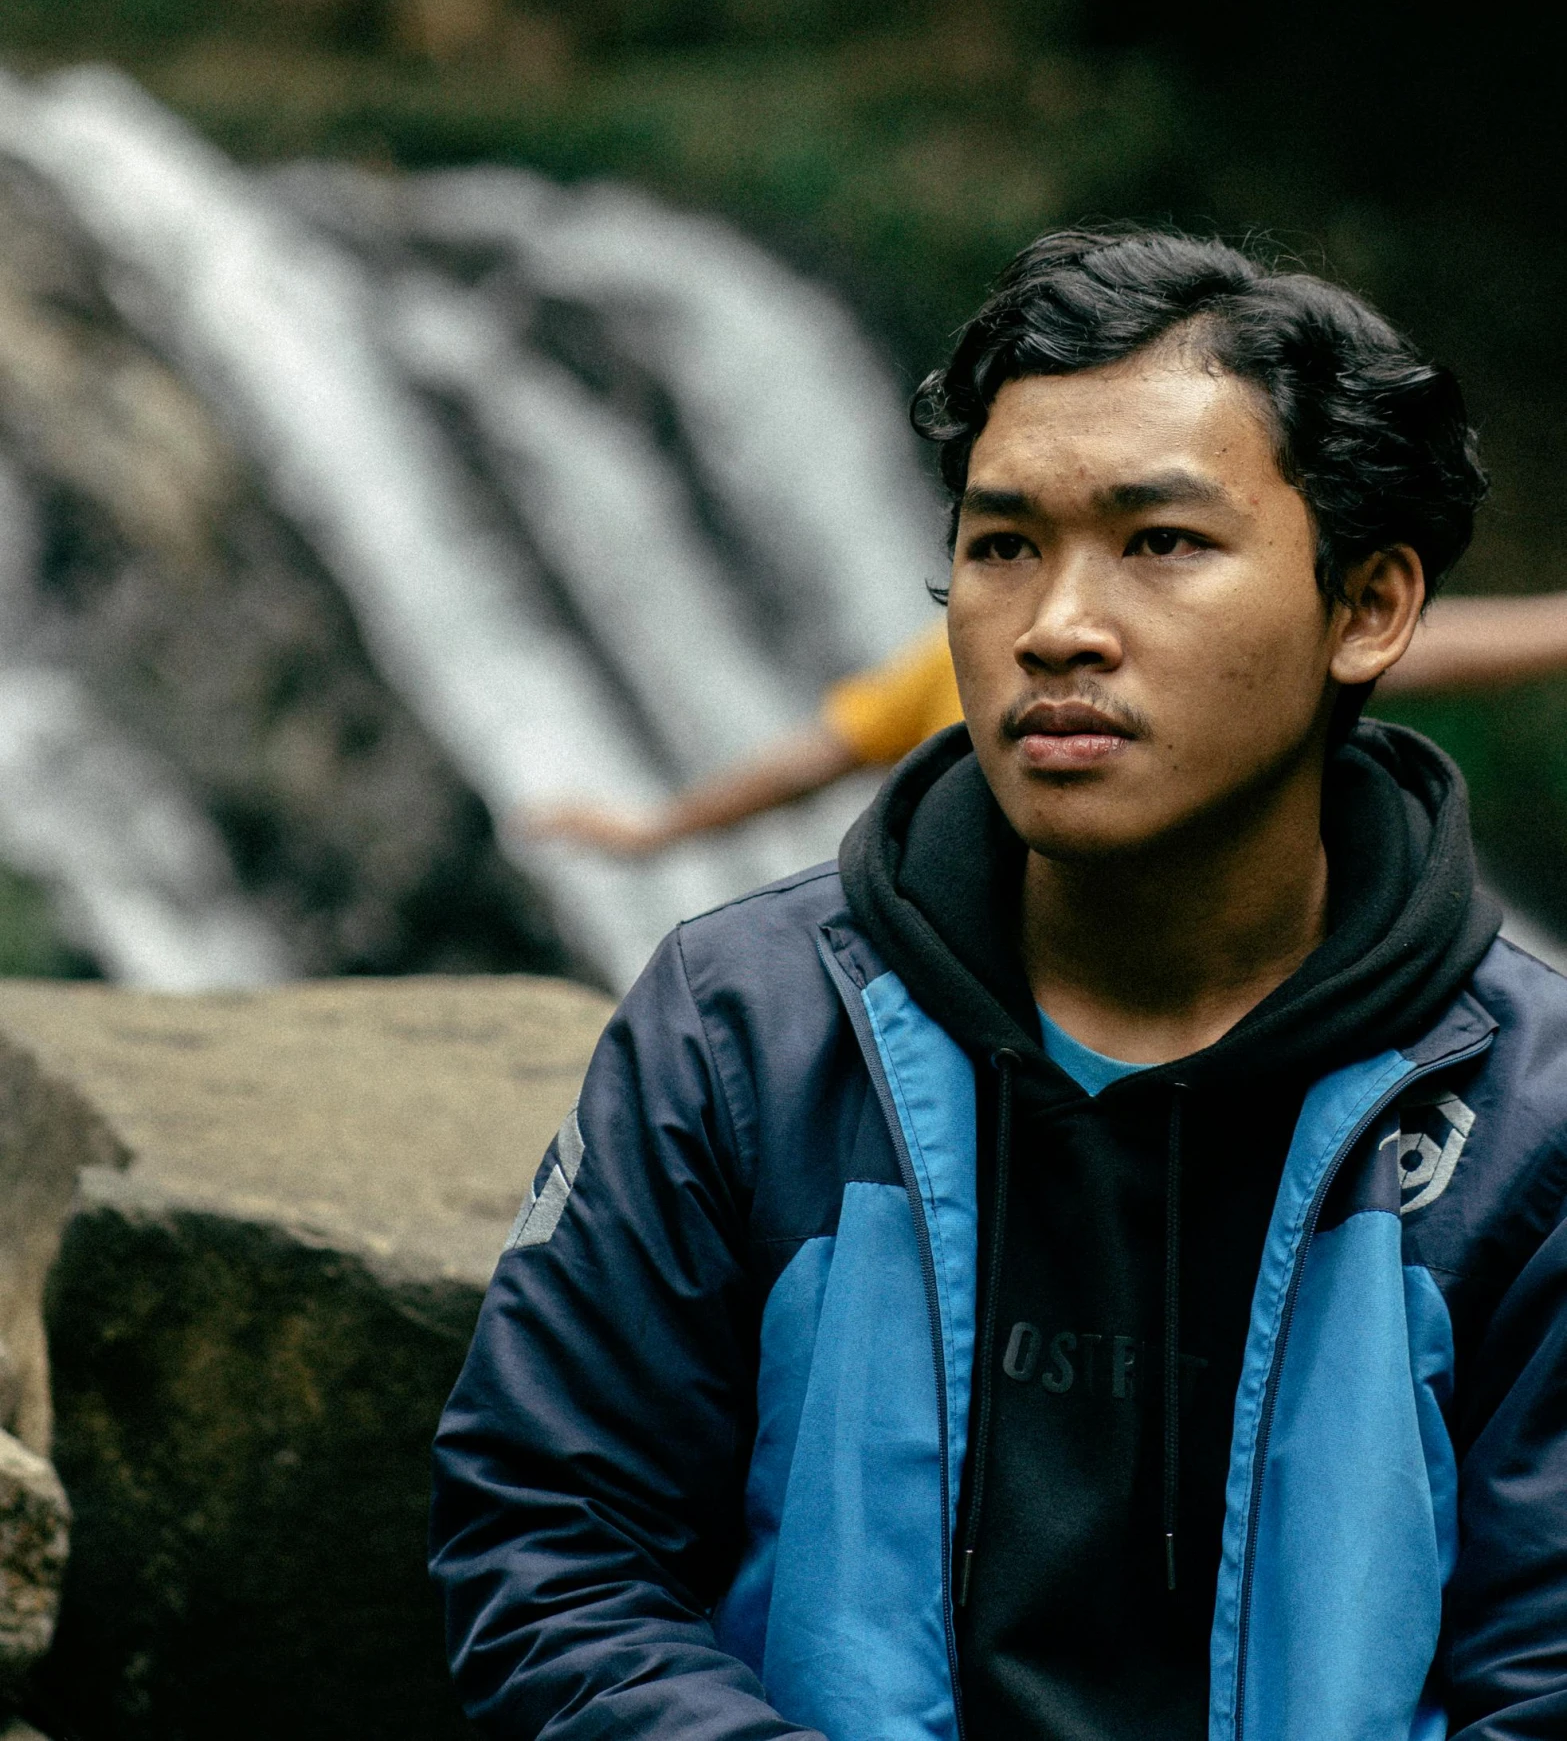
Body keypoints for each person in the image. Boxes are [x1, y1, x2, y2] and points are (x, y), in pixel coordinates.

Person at [432, 228, 1567, 1741]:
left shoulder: (1526, 1125)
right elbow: (547, 1541)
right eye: (999, 543)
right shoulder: (745, 1032)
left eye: (1159, 541)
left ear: (1364, 606)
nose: (1053, 625)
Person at [525, 589, 1567, 858]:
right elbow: (809, 757)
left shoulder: (1196, 658)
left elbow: (1406, 642)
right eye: (1008, 545)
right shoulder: (952, 660)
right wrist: (654, 829)